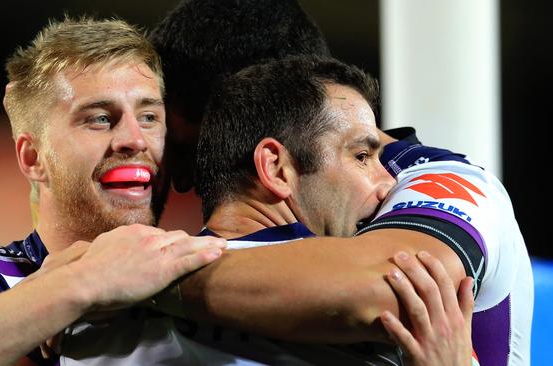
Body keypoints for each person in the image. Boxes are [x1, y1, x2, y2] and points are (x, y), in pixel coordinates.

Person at [150, 1, 532, 365]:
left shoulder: (442, 180)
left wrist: (145, 277)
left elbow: (387, 290)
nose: (184, 178)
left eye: (192, 149)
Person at [0, 17, 227, 365]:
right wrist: (80, 285)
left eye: (149, 117)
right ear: (33, 157)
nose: (135, 140)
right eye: (99, 118)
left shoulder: (212, 269)